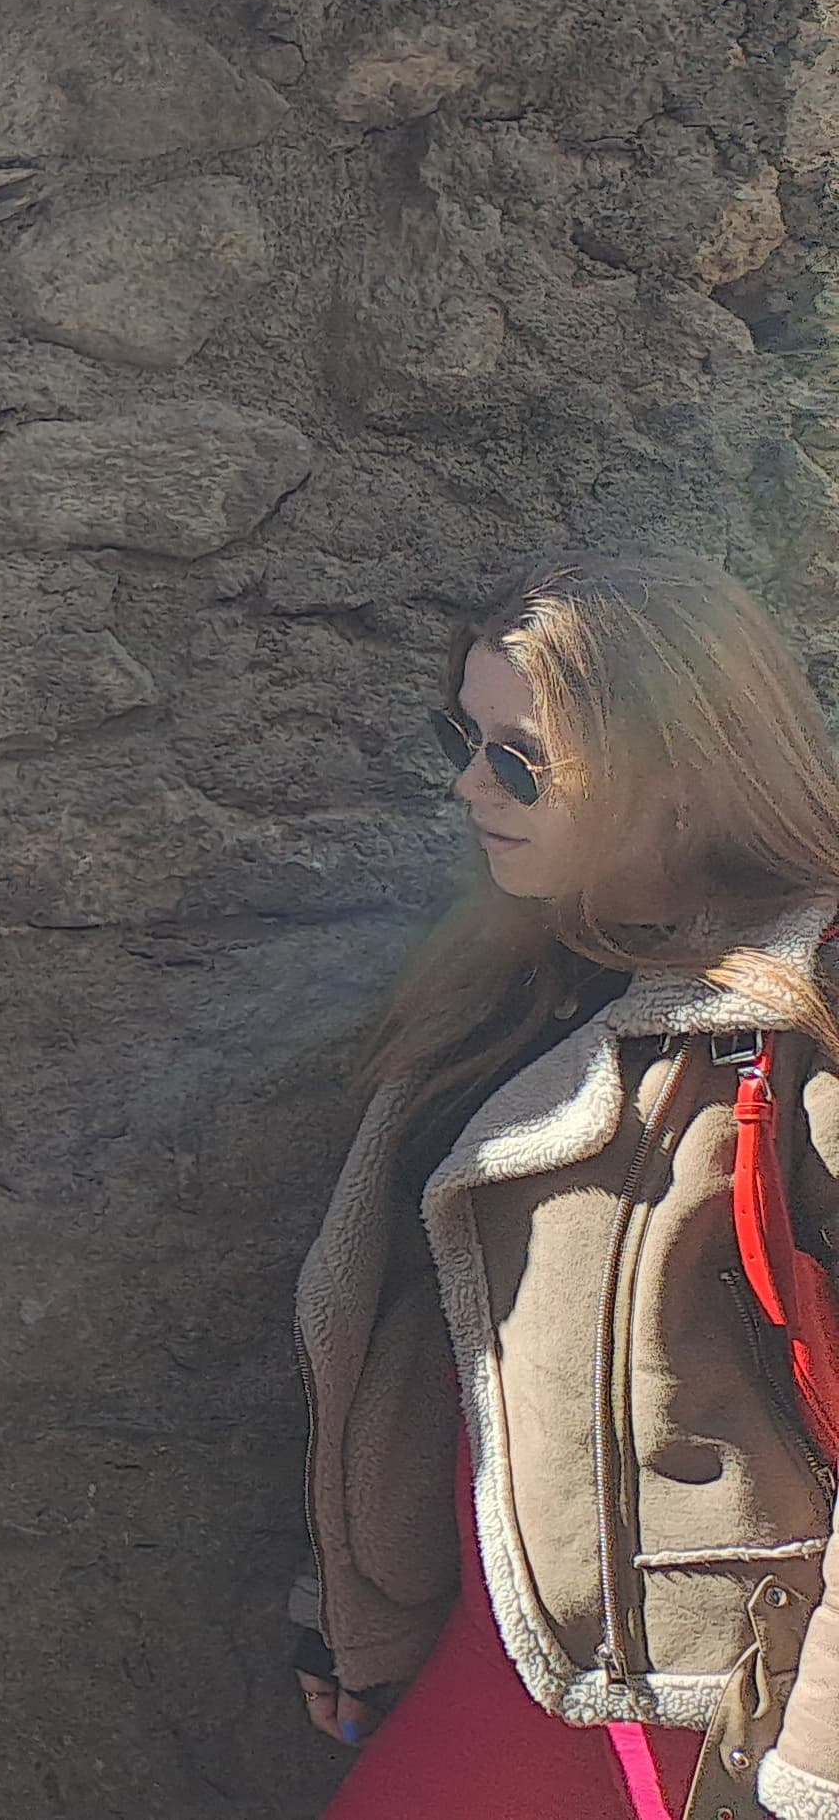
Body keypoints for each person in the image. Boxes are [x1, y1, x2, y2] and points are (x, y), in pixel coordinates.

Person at [291, 552, 839, 1817]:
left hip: (724, 1701)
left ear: (678, 770)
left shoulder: (808, 1001)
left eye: (522, 757)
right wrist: (348, 1601)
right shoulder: (505, 981)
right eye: (464, 736)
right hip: (512, 1657)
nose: (469, 783)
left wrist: (818, 1761)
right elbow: (419, 1331)